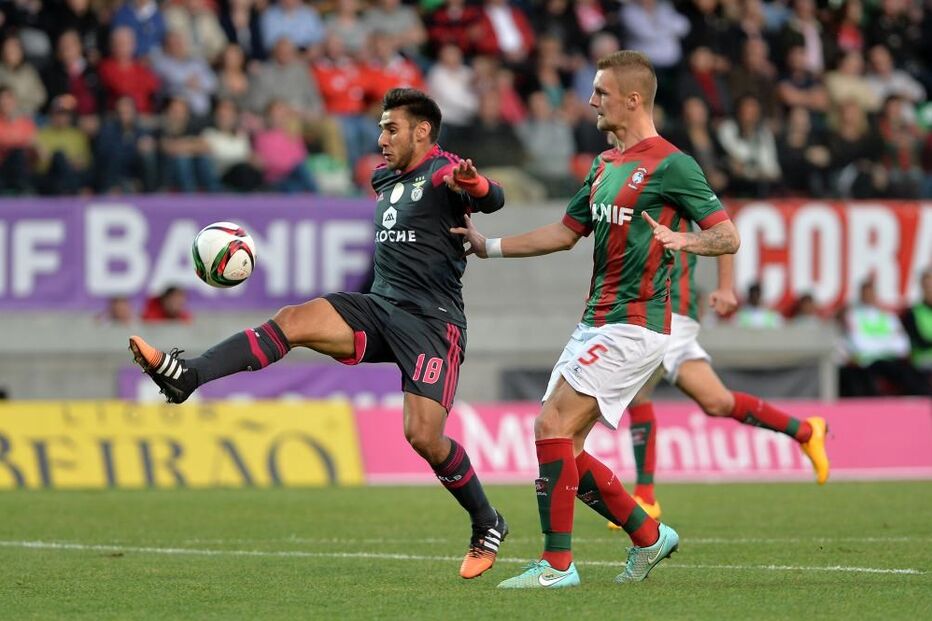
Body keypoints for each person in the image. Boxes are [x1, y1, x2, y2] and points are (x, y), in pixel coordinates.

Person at [127, 88, 509, 580]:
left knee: (422, 436)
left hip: (433, 323)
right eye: (380, 128)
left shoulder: (442, 170)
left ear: (422, 132)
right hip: (379, 306)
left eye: (391, 128)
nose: (381, 138)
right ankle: (187, 376)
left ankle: (486, 520)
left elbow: (492, 197)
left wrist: (474, 184)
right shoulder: (383, 177)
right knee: (293, 319)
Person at [451, 50, 740, 589]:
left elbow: (728, 235)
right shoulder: (605, 164)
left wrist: (687, 239)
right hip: (595, 321)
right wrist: (486, 246)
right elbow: (564, 233)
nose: (590, 101)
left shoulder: (672, 163)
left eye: (601, 92)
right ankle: (649, 537)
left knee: (549, 428)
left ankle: (557, 566)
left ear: (633, 100)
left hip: (637, 323)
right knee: (568, 449)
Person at [607, 241, 829, 526]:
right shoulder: (629, 201)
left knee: (637, 391)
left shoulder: (675, 196)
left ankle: (646, 497)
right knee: (718, 402)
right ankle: (807, 431)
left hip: (670, 310)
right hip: (650, 308)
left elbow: (725, 233)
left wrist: (725, 286)